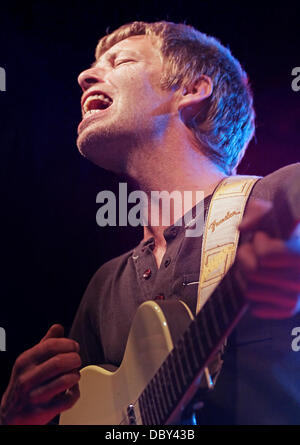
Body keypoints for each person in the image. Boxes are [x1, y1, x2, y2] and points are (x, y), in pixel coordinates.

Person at [1, 21, 300, 425]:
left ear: (191, 90)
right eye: (92, 66)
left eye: (119, 60)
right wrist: (17, 420)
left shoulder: (284, 195)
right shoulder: (104, 287)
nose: (84, 75)